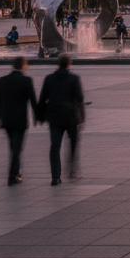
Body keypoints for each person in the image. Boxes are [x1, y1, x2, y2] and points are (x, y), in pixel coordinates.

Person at [38, 54, 85, 185]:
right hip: (71, 117)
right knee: (73, 144)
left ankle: (55, 176)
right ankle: (71, 169)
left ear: (58, 64)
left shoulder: (49, 79)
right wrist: (82, 117)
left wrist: (40, 117)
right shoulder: (74, 79)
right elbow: (80, 100)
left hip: (55, 117)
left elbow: (42, 99)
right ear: (69, 63)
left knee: (55, 146)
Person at [0, 56, 38, 185]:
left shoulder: (3, 80)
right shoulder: (26, 80)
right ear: (23, 65)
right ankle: (13, 174)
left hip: (7, 119)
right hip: (20, 120)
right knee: (17, 148)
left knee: (13, 147)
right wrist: (37, 117)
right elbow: (33, 101)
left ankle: (16, 172)